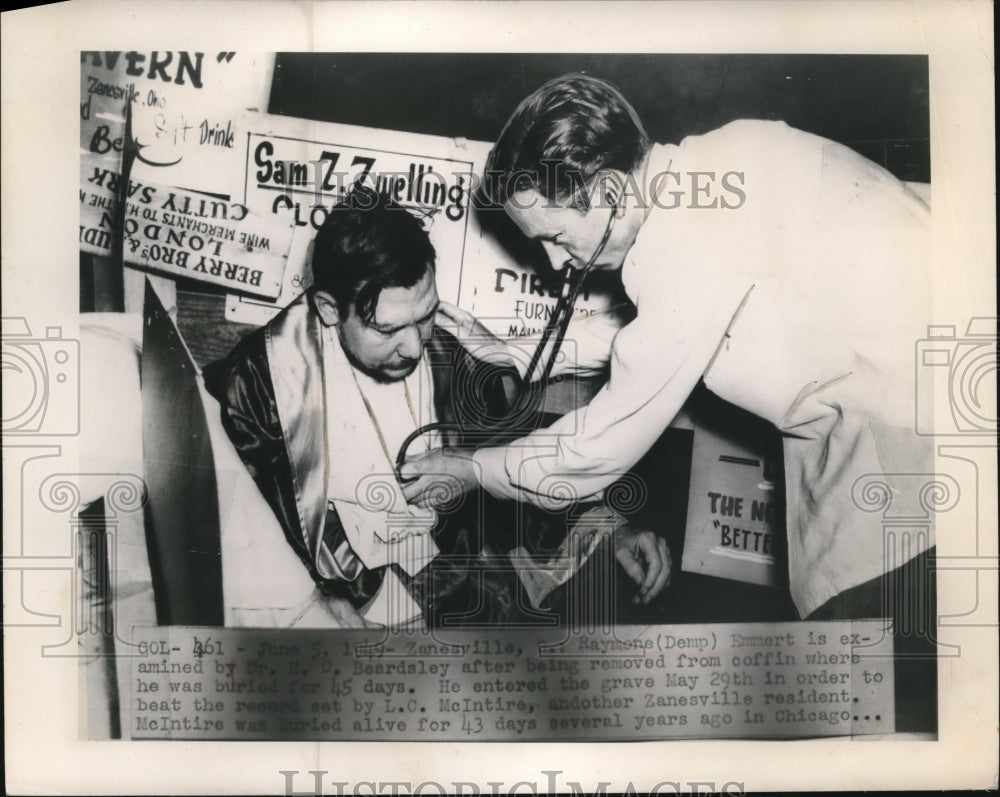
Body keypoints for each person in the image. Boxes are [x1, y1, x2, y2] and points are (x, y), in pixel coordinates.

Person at [401, 73, 935, 619]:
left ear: (609, 191)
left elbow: (602, 444)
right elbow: (653, 326)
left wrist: (474, 469)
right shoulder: (708, 177)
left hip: (912, 471)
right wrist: (513, 354)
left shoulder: (690, 235)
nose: (554, 264)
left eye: (554, 238)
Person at [204, 184, 670, 629]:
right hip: (333, 602)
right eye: (387, 330)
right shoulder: (261, 383)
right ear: (329, 309)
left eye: (424, 315)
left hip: (447, 585)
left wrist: (606, 529)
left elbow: (506, 469)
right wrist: (309, 599)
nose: (413, 347)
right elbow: (239, 529)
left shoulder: (453, 356)